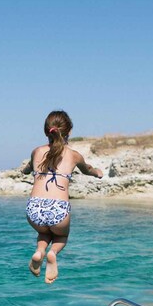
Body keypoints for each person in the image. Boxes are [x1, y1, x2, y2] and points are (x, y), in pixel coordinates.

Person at [22, 110, 103, 283]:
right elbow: (88, 170)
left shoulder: (36, 151)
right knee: (60, 236)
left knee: (43, 232)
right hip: (58, 209)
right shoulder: (74, 155)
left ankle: (40, 252)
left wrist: (25, 171)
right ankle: (52, 253)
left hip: (34, 209)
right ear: (69, 131)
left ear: (46, 131)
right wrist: (97, 172)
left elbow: (28, 168)